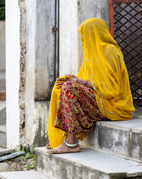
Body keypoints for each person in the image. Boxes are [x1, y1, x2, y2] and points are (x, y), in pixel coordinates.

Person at [47, 18, 135, 154]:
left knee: (69, 88)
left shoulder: (109, 51)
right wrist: (74, 80)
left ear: (95, 33)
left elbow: (111, 89)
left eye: (85, 35)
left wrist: (79, 82)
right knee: (62, 86)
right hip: (101, 100)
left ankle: (71, 143)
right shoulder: (92, 53)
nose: (83, 39)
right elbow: (88, 78)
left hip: (113, 105)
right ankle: (64, 139)